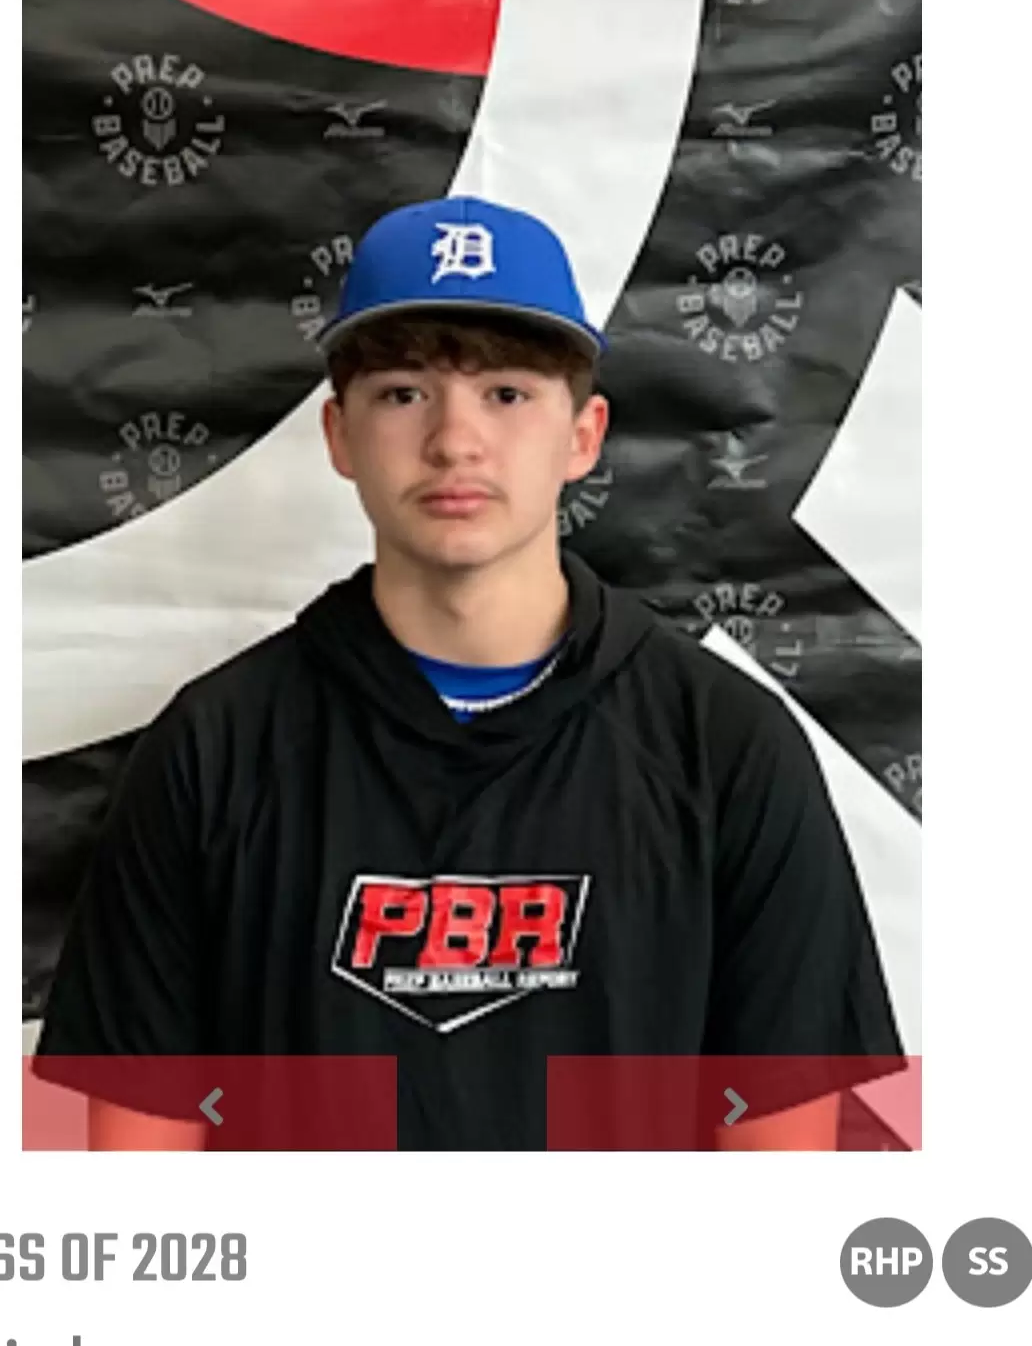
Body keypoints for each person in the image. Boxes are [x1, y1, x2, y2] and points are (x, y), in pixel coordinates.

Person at [33, 195, 904, 1151]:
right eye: (403, 392)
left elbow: (783, 1183)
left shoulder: (725, 745)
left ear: (584, 435)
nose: (455, 440)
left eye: (507, 393)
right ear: (339, 435)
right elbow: (140, 1179)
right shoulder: (215, 747)